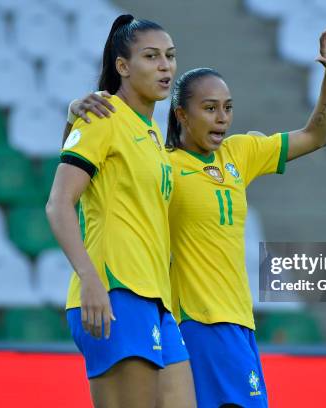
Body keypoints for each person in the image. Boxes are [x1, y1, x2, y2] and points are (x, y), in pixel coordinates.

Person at [68, 21, 326, 407]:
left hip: (240, 323)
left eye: (227, 109)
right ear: (180, 114)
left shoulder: (241, 154)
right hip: (196, 321)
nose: (221, 118)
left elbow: (317, 135)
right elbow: (94, 181)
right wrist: (73, 115)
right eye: (209, 109)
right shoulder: (164, 164)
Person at [46, 14, 196, 408]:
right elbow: (59, 202)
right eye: (151, 56)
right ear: (123, 66)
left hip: (156, 299)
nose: (165, 66)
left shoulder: (149, 134)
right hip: (115, 293)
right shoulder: (105, 115)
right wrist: (89, 278)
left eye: (170, 56)